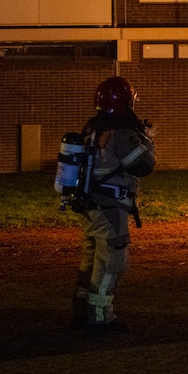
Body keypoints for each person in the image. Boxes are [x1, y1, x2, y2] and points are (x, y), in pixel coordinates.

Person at [72, 76, 156, 337]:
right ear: (127, 101)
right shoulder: (122, 133)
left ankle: (81, 311)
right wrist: (149, 139)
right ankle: (100, 319)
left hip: (90, 206)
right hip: (110, 210)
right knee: (110, 265)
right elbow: (144, 166)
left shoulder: (93, 128)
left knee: (91, 260)